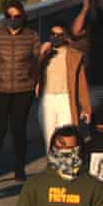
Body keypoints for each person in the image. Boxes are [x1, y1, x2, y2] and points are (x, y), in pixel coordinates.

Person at [0, 0, 41, 182]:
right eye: (9, 16)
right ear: (5, 17)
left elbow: (37, 61)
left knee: (18, 129)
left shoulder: (32, 36)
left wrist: (38, 81)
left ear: (23, 16)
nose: (13, 20)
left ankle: (19, 170)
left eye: (17, 16)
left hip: (24, 89)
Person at [36, 22, 91, 151]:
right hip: (48, 99)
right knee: (49, 137)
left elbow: (81, 82)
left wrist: (86, 106)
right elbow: (32, 74)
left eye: (59, 35)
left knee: (67, 136)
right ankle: (52, 165)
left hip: (65, 99)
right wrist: (41, 54)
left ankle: (68, 164)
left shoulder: (73, 55)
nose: (55, 37)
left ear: (65, 37)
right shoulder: (45, 53)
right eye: (53, 34)